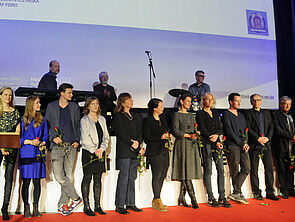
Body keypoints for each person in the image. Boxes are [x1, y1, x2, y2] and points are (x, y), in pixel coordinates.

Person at [45, 83, 82, 216]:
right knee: (59, 176)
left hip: (71, 145)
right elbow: (47, 125)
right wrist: (52, 137)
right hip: (57, 146)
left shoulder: (74, 107)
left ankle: (62, 205)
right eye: (69, 93)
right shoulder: (51, 106)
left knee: (69, 176)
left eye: (71, 93)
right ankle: (76, 198)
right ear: (62, 93)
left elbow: (78, 125)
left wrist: (77, 140)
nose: (71, 95)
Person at [196, 93, 232, 208]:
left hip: (217, 143)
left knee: (221, 169)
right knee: (208, 170)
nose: (210, 101)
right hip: (207, 143)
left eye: (211, 99)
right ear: (203, 101)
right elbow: (202, 128)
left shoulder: (216, 113)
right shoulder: (200, 113)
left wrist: (217, 136)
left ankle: (222, 196)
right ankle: (211, 197)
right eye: (207, 100)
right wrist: (212, 138)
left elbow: (220, 128)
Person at [113, 93, 144, 214]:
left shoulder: (135, 116)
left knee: (132, 177)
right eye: (129, 99)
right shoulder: (119, 116)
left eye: (132, 99)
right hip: (124, 149)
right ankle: (120, 204)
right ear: (122, 102)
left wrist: (138, 143)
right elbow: (121, 133)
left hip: (134, 149)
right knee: (124, 177)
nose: (132, 101)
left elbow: (140, 132)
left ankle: (130, 203)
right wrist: (133, 144)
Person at [245, 94, 280, 201]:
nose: (256, 102)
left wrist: (268, 138)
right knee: (254, 170)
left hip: (266, 145)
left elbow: (271, 127)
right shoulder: (248, 113)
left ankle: (270, 192)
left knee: (269, 169)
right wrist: (257, 139)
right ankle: (257, 192)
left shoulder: (267, 113)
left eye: (258, 100)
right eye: (254, 100)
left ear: (261, 101)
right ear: (251, 102)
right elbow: (248, 128)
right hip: (255, 145)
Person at [19, 96, 49, 218]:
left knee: (37, 181)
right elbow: (19, 138)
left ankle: (36, 207)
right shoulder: (23, 120)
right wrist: (30, 142)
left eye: (39, 102)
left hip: (38, 154)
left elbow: (46, 136)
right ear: (31, 104)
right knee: (26, 182)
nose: (39, 104)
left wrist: (43, 143)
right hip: (26, 153)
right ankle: (26, 207)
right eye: (37, 103)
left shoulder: (43, 120)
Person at [171, 93, 202, 209]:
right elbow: (175, 131)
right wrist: (188, 135)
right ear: (181, 101)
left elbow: (194, 128)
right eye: (188, 101)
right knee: (186, 171)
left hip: (191, 145)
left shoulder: (191, 115)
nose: (189, 103)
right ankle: (193, 198)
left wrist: (196, 133)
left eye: (190, 101)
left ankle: (181, 197)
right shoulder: (176, 115)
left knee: (187, 171)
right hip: (182, 144)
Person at [80, 97, 109, 216]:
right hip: (89, 153)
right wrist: (94, 150)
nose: (95, 106)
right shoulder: (84, 120)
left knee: (98, 179)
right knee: (87, 178)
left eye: (97, 104)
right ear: (88, 106)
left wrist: (102, 149)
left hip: (100, 153)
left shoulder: (102, 119)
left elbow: (106, 136)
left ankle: (97, 205)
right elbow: (84, 138)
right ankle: (87, 206)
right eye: (93, 104)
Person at [221, 93, 250, 204]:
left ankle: (236, 191)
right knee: (234, 169)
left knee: (247, 168)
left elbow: (245, 131)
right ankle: (237, 192)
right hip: (232, 145)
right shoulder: (226, 114)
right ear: (231, 101)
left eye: (239, 100)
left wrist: (245, 143)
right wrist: (241, 143)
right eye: (236, 101)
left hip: (242, 145)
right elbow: (229, 131)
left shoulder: (241, 115)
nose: (239, 102)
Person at [143, 98, 170, 212]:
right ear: (154, 108)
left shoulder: (162, 119)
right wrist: (160, 137)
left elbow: (166, 130)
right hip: (154, 151)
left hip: (164, 149)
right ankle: (157, 199)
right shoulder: (148, 120)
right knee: (157, 174)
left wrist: (167, 135)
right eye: (160, 106)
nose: (162, 108)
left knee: (163, 173)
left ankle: (157, 198)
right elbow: (147, 137)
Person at [0, 87, 21, 221]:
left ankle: (5, 207)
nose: (8, 97)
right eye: (6, 94)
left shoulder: (15, 112)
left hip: (11, 148)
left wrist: (8, 145)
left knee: (9, 179)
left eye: (10, 95)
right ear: (0, 96)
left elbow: (17, 132)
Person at [272, 96, 295, 199]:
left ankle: (291, 189)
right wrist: (291, 136)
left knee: (290, 168)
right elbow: (277, 130)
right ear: (280, 104)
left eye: (289, 104)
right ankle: (284, 190)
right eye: (285, 104)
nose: (287, 106)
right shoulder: (276, 115)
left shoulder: (290, 116)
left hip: (291, 146)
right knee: (282, 168)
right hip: (281, 145)